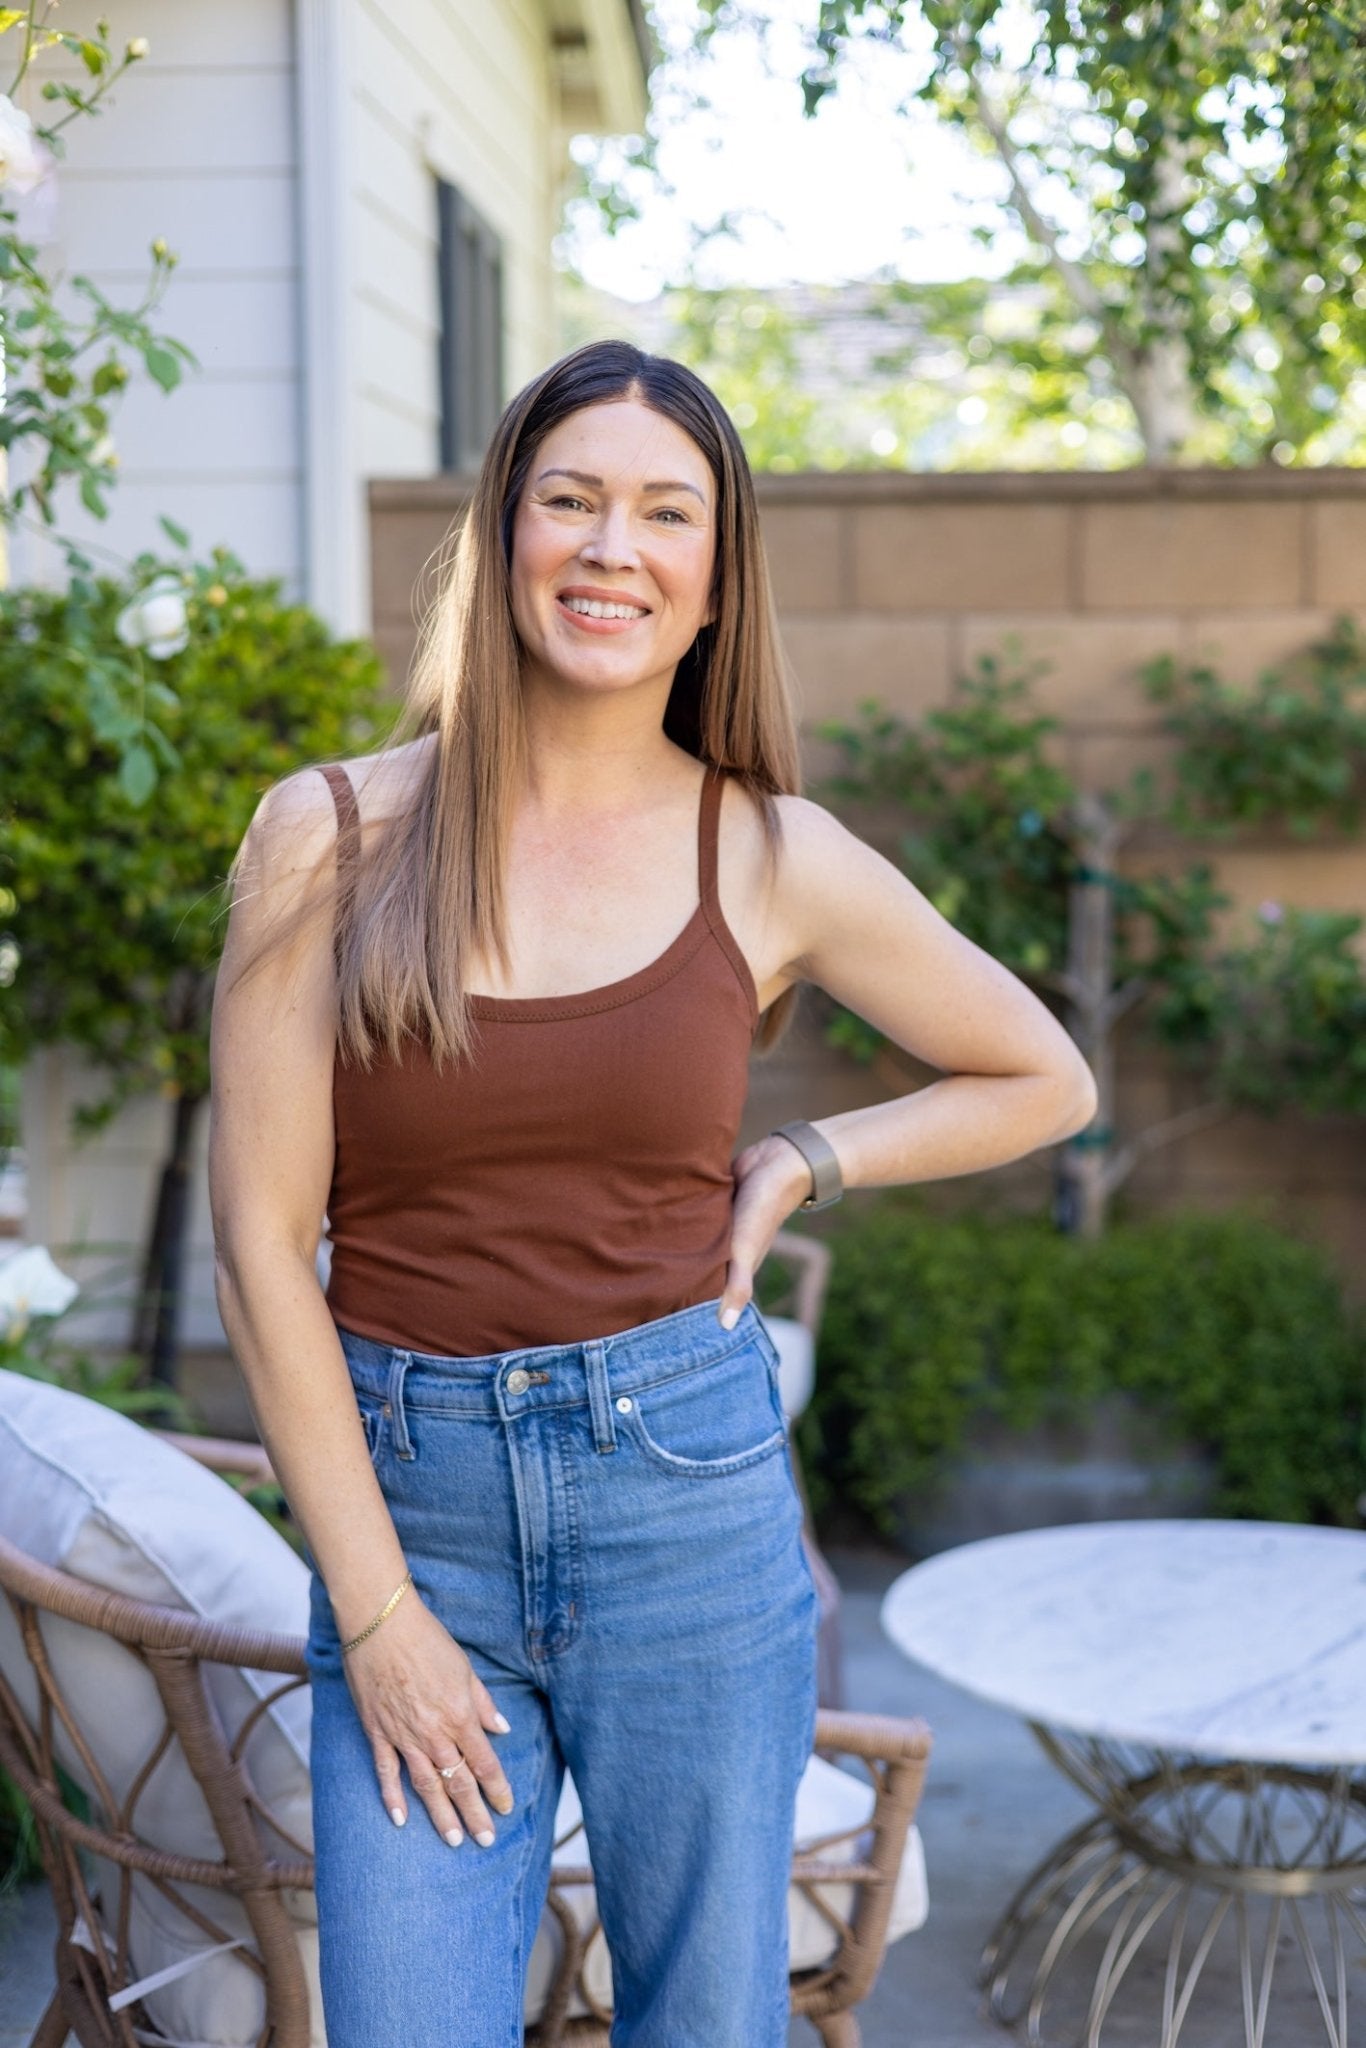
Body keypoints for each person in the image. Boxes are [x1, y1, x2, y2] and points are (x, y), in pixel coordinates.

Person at [208, 338, 1097, 2047]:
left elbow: (1040, 1077)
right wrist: (378, 1620)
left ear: (714, 575)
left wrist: (804, 1160)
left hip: (687, 1501)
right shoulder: (327, 839)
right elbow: (259, 1250)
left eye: (664, 513)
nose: (612, 548)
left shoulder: (767, 853)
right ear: (503, 533)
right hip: (413, 1512)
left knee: (703, 2021)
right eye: (571, 499)